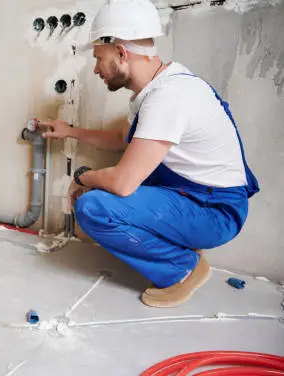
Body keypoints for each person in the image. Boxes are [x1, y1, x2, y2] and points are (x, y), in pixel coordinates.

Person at [40, 0, 259, 308]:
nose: (96, 69)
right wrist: (70, 131)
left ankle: (183, 269)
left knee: (93, 206)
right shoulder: (160, 88)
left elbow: (123, 183)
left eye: (99, 58)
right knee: (122, 181)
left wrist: (82, 177)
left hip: (215, 211)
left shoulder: (168, 98)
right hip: (196, 197)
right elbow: (122, 139)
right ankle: (180, 248)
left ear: (121, 53)